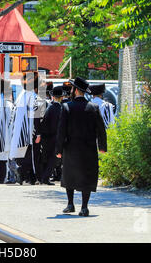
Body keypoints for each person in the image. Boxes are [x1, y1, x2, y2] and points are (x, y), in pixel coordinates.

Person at [55, 77, 107, 217]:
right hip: (88, 148)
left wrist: (58, 150)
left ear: (76, 90)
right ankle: (84, 207)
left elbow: (61, 131)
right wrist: (102, 146)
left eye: (72, 88)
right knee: (87, 176)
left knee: (69, 175)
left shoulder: (67, 107)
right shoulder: (93, 107)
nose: (71, 90)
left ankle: (70, 204)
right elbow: (101, 129)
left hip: (71, 147)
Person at [9, 72, 42, 185]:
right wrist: (38, 133)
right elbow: (36, 117)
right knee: (31, 155)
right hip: (29, 131)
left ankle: (22, 176)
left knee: (21, 155)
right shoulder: (34, 97)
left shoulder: (20, 96)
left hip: (18, 131)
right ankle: (29, 177)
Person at [40, 86, 65, 185]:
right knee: (53, 159)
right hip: (56, 137)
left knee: (48, 158)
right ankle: (45, 178)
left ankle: (44, 177)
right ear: (61, 97)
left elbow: (45, 123)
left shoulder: (50, 107)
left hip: (48, 137)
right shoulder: (61, 109)